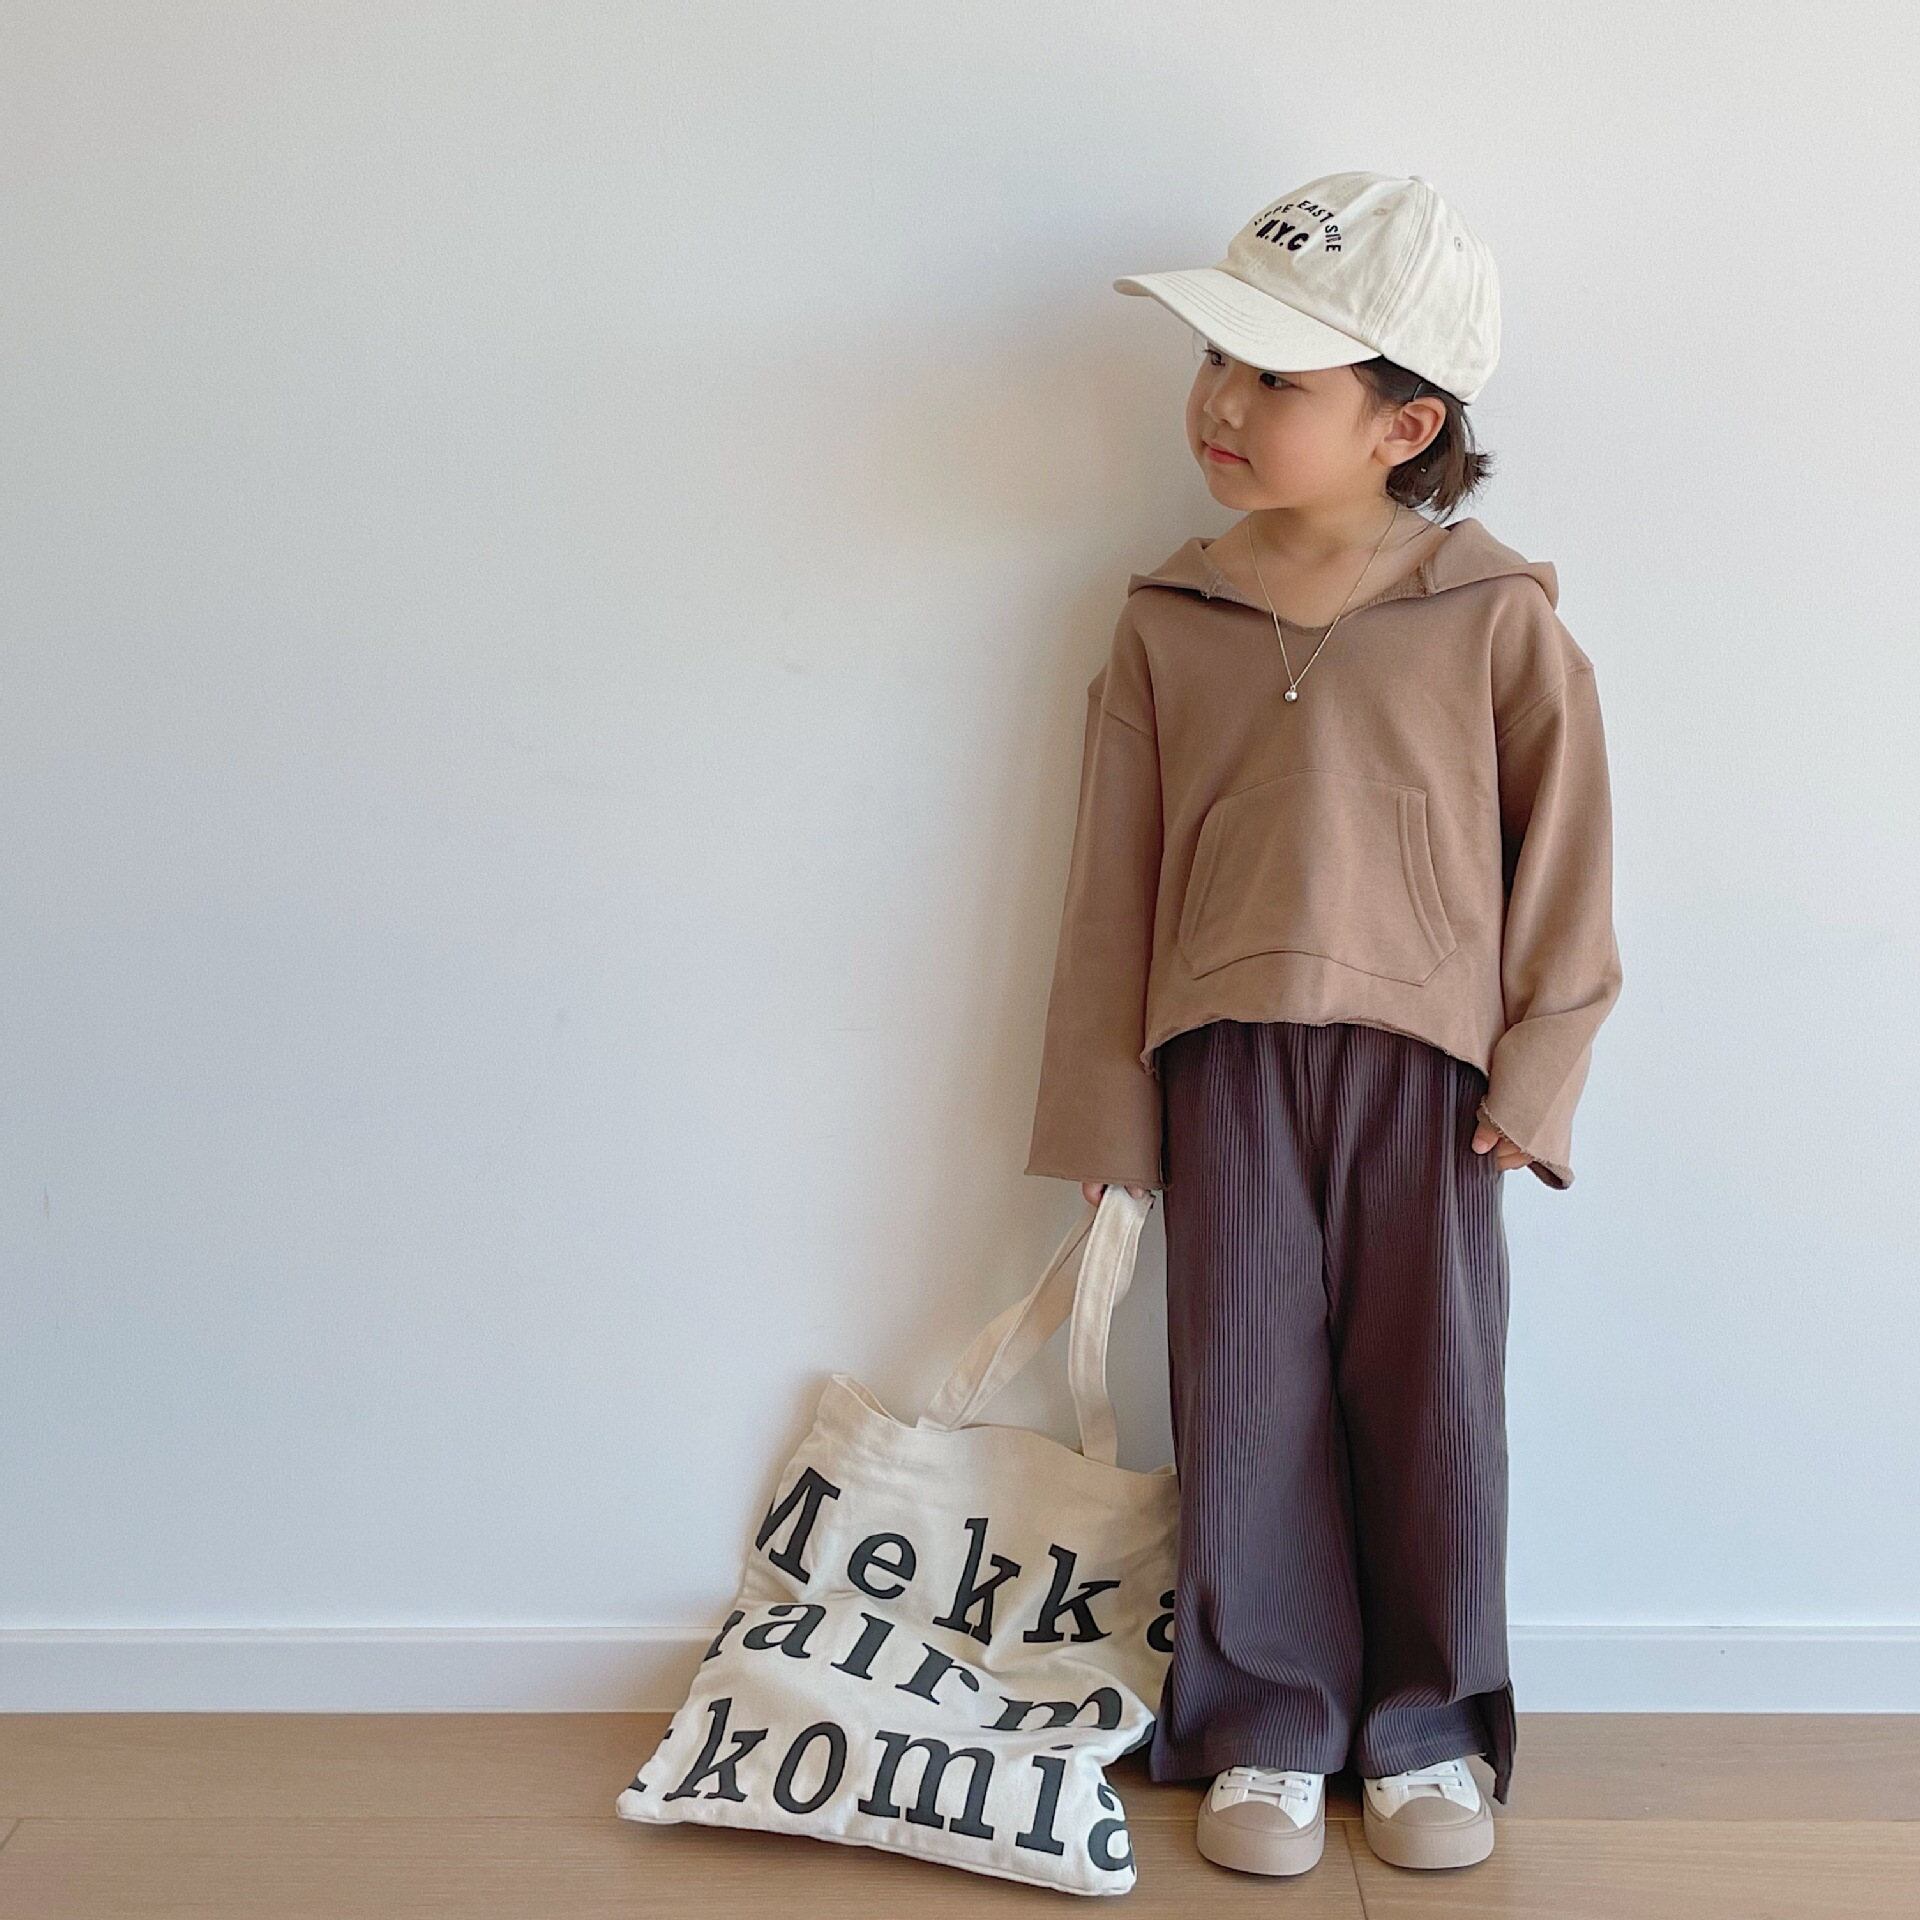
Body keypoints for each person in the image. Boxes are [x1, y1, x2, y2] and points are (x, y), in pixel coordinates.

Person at [1023, 172, 1624, 1878]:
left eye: (1274, 377)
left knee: (1431, 1394)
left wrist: (1539, 1073)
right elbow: (1111, 882)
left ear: (1403, 424)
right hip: (1221, 1062)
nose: (1219, 401)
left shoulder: (1496, 617)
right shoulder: (1169, 617)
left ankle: (1429, 1727)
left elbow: (1568, 866)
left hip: (1433, 1079)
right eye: (1213, 360)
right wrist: (1105, 1115)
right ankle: (1267, 1720)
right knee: (1245, 1388)